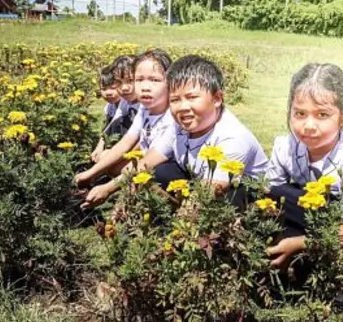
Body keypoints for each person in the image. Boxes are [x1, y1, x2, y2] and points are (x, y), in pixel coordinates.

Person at [85, 55, 268, 208]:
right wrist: (107, 188)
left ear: (217, 98)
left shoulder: (232, 138)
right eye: (175, 100)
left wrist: (180, 225)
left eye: (192, 97)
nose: (183, 107)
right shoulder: (177, 124)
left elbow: (212, 191)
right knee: (157, 172)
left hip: (238, 193)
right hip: (199, 181)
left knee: (228, 200)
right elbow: (146, 162)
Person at [264, 63, 343, 270]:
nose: (308, 126)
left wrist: (300, 244)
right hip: (302, 220)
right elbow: (269, 198)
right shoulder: (285, 147)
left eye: (322, 115)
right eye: (300, 114)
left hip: (341, 238)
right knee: (270, 193)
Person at [75, 50, 174, 206]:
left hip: (165, 169)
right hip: (146, 161)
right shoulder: (146, 107)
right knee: (109, 161)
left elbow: (147, 162)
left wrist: (107, 188)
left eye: (154, 80)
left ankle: (164, 208)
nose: (145, 87)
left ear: (171, 82)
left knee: (140, 177)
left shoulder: (173, 118)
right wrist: (91, 173)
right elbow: (126, 142)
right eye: (139, 80)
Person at [90, 65, 122, 163]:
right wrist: (99, 147)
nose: (108, 93)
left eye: (113, 88)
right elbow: (107, 128)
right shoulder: (110, 107)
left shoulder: (127, 107)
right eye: (104, 89)